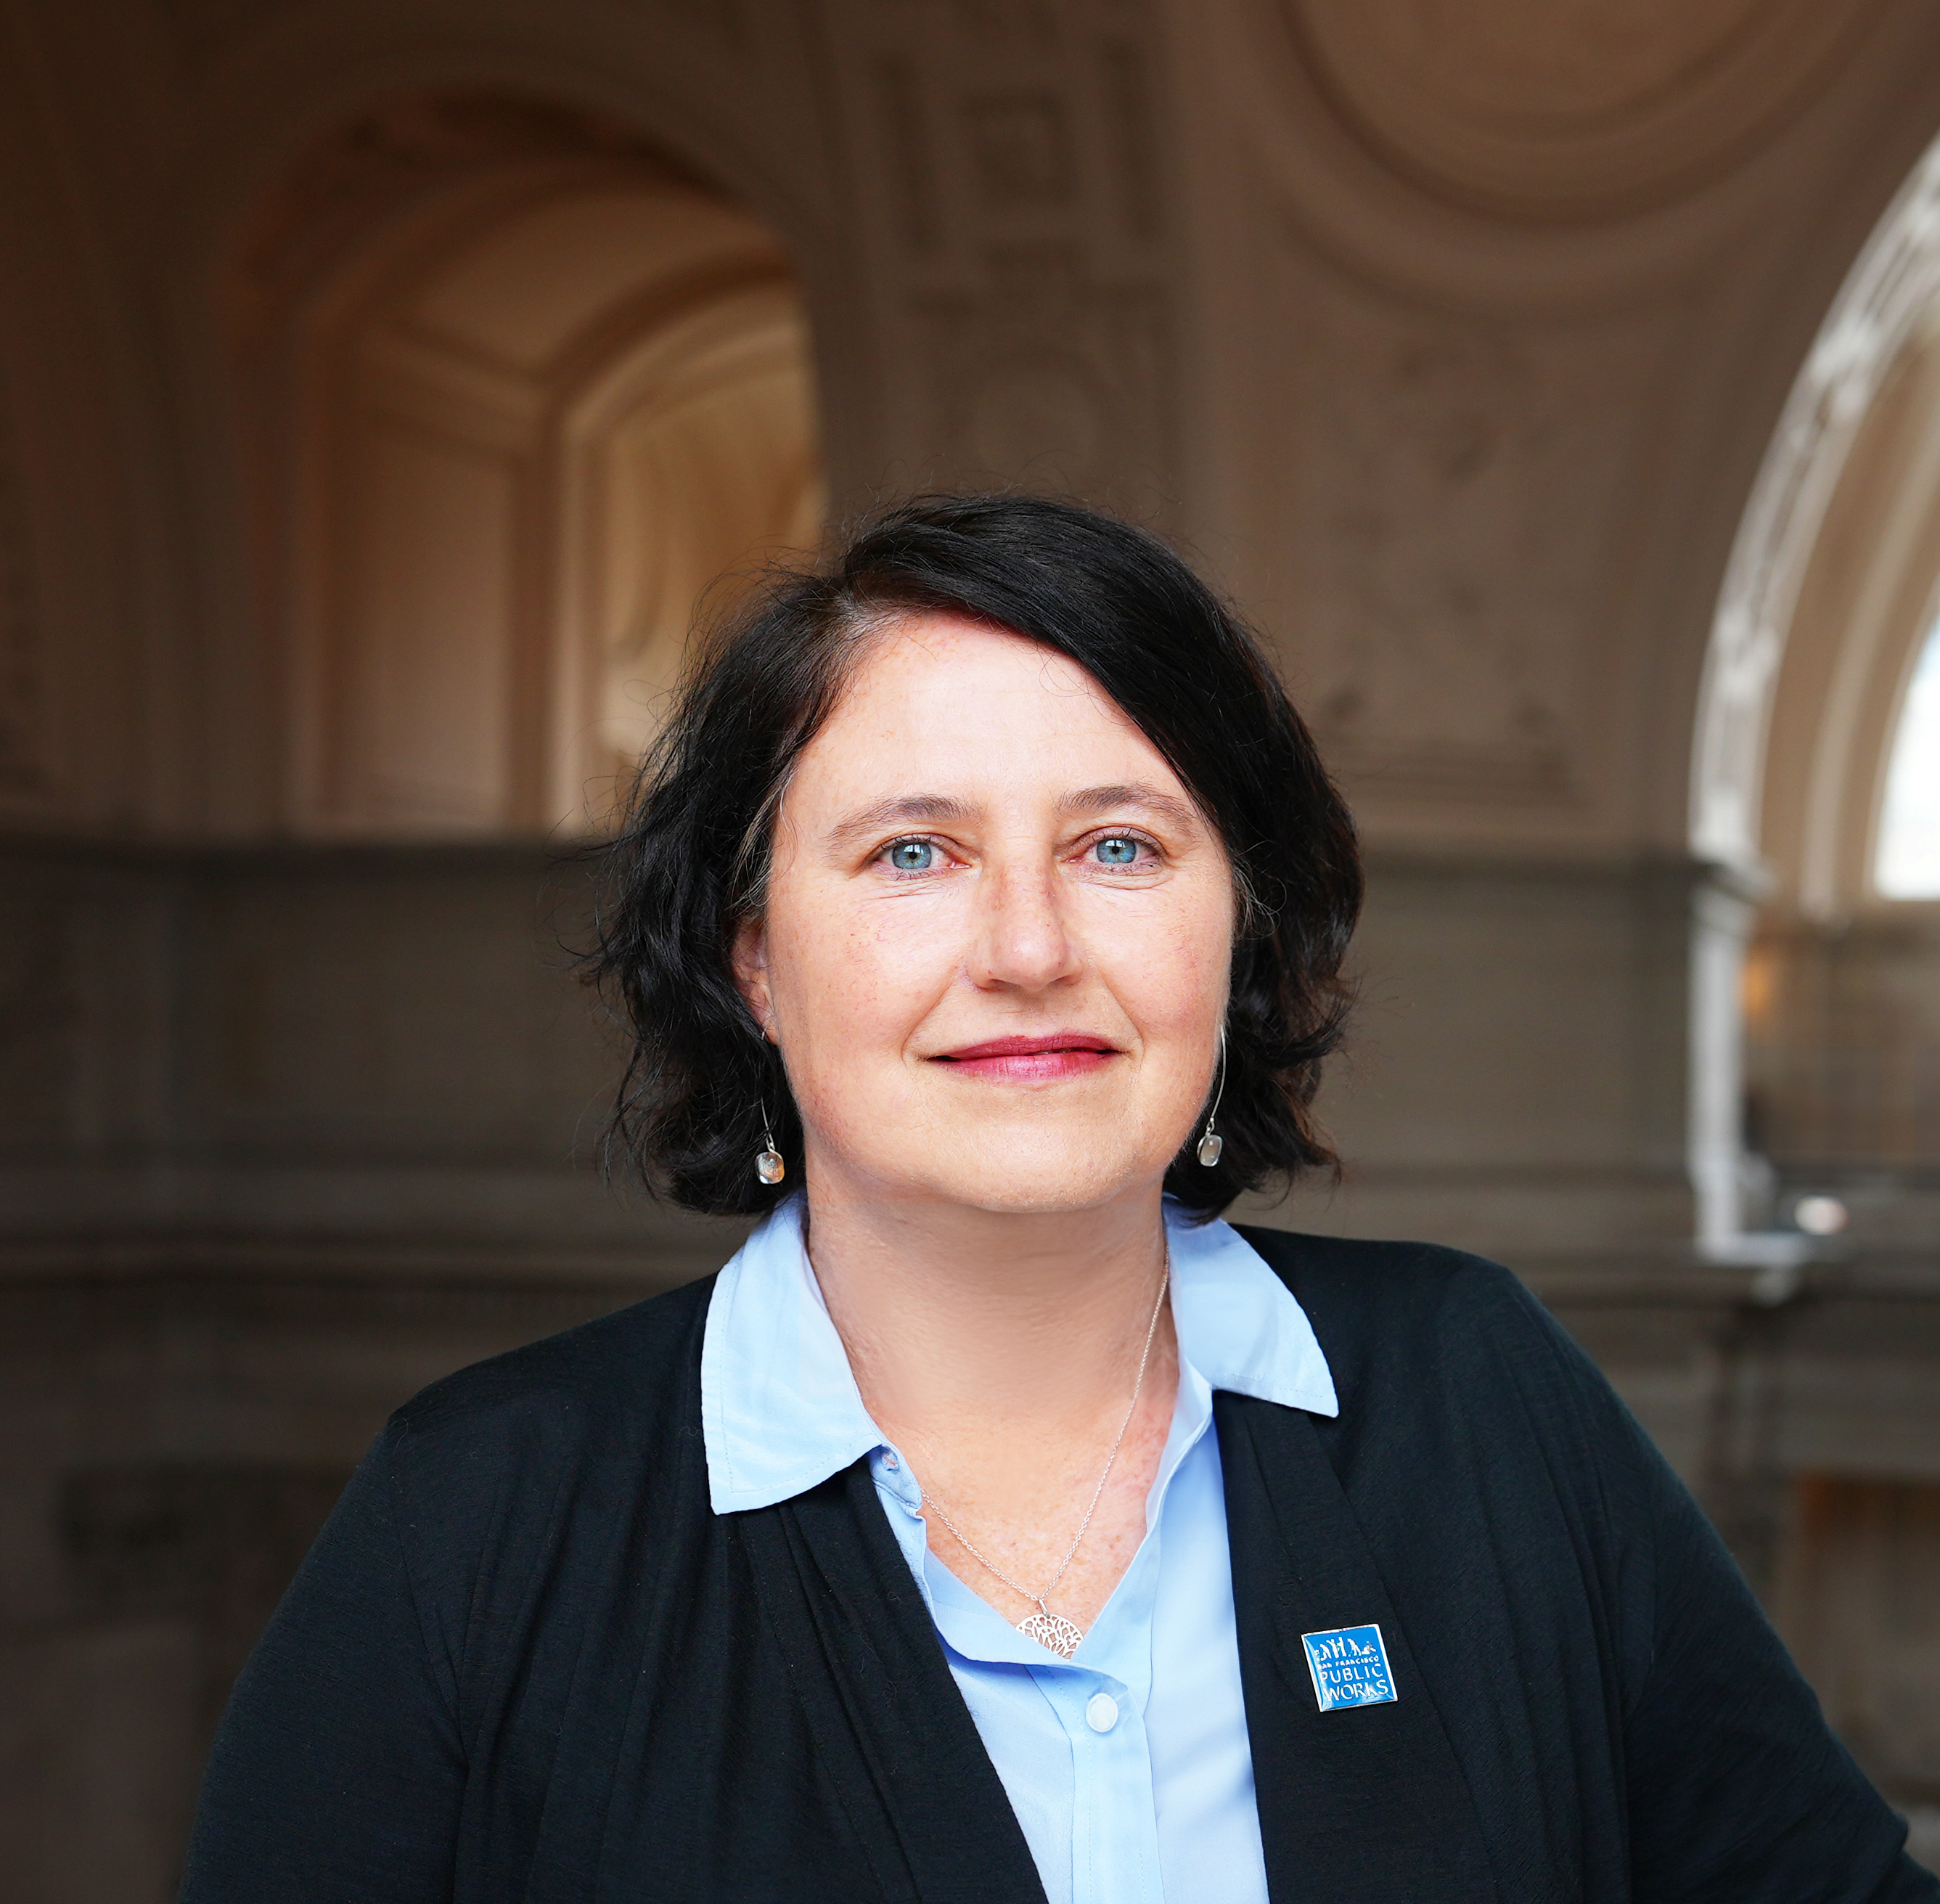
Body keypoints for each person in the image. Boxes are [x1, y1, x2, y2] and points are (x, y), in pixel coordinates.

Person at [180, 494, 1936, 1904]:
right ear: (755, 962)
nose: (1027, 950)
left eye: (1117, 845)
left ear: (1231, 924)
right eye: (913, 853)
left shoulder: (1481, 1391)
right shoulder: (479, 1515)